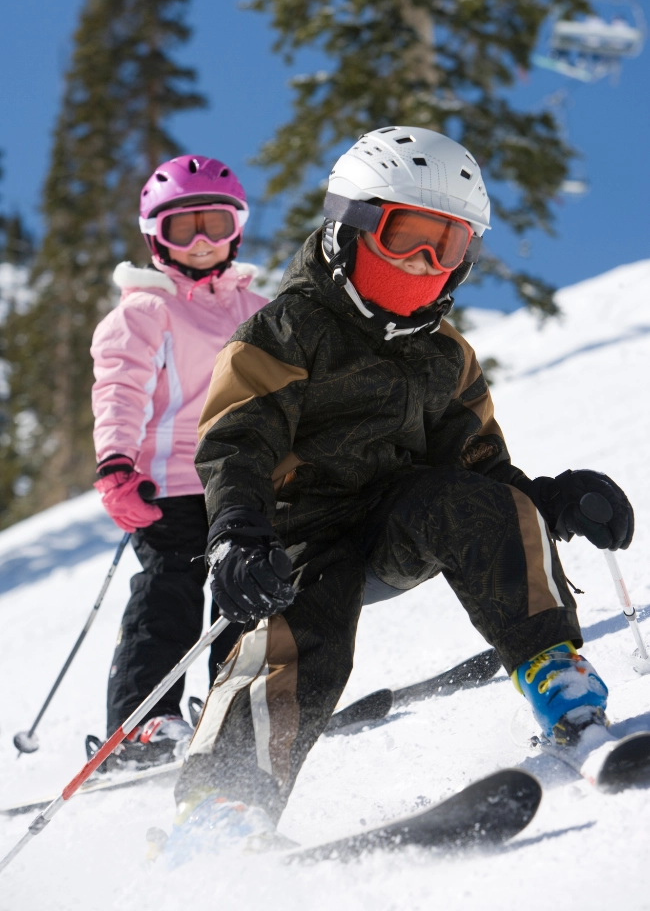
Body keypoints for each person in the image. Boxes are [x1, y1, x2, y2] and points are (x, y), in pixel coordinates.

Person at [166, 127, 633, 853]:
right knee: (300, 634)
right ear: (351, 227)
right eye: (407, 236)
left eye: (447, 247)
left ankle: (564, 692)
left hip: (395, 522)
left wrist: (554, 501)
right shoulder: (287, 328)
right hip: (297, 532)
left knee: (483, 506)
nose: (424, 262)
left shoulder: (446, 355)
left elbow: (481, 468)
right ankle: (222, 808)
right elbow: (237, 437)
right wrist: (235, 527)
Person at [90, 155, 267, 769]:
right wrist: (116, 464)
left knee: (247, 590)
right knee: (171, 588)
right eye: (182, 228)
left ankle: (235, 705)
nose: (199, 242)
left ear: (236, 230)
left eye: (214, 225)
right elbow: (119, 388)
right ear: (153, 237)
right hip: (170, 484)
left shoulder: (258, 309)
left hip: (245, 479)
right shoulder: (146, 310)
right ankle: (143, 720)